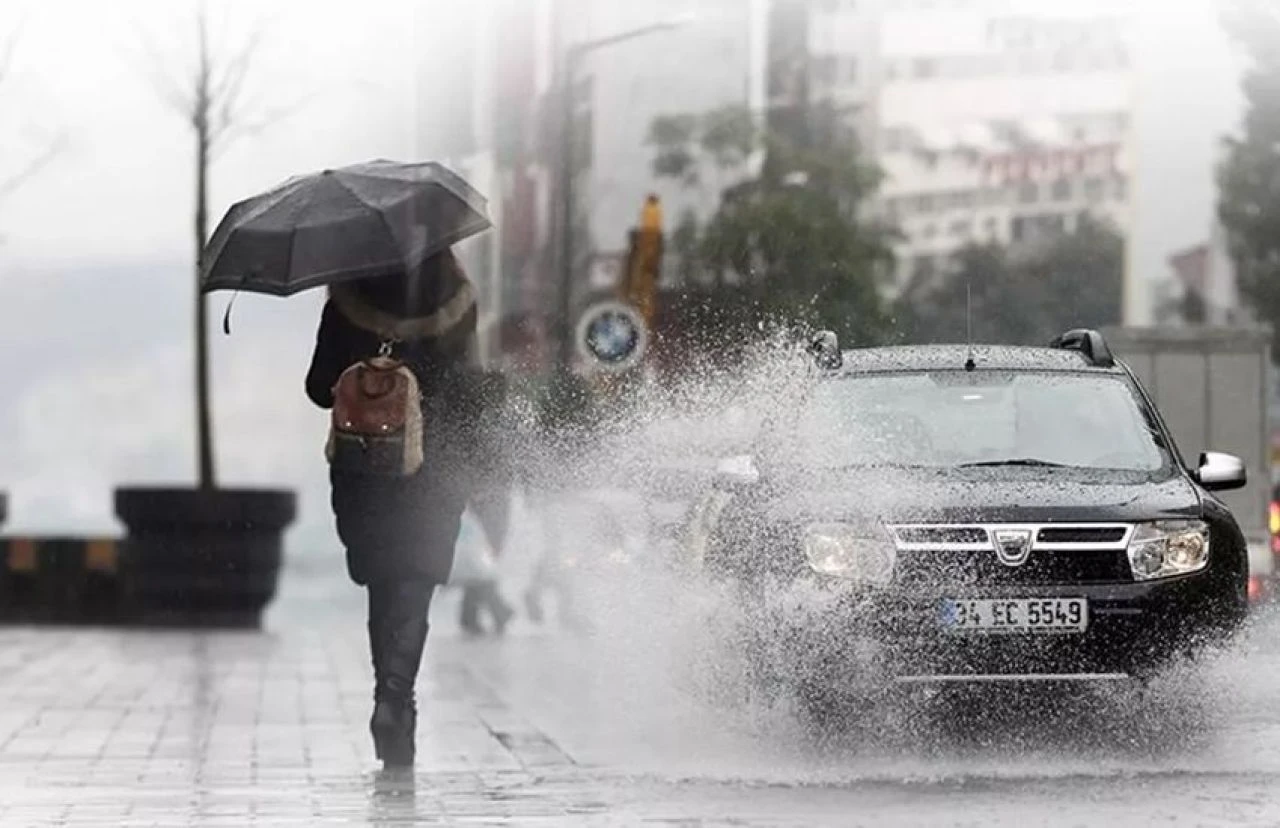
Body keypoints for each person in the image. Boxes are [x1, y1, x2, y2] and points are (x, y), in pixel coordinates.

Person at [305, 248, 488, 769]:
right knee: (414, 584)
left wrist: (367, 371)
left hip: (366, 471)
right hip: (436, 466)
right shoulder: (457, 301)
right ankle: (395, 700)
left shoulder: (346, 302)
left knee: (384, 584)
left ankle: (388, 697)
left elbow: (319, 387)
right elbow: (468, 392)